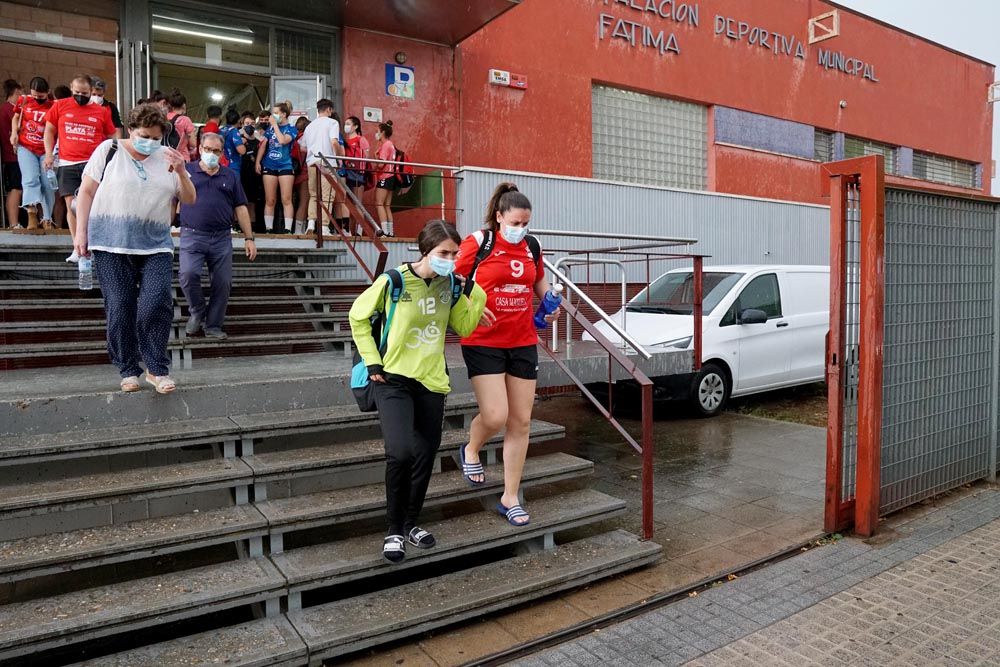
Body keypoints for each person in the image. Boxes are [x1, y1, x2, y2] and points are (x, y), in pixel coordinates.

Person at [349, 219, 487, 563]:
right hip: (392, 378)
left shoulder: (450, 286)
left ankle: (411, 523)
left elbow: (464, 326)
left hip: (431, 381)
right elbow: (357, 317)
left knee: (426, 454)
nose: (450, 259)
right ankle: (393, 529)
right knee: (400, 453)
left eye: (455, 253)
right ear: (426, 250)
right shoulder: (395, 281)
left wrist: (476, 291)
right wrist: (372, 362)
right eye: (444, 252)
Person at [455, 183, 560, 527]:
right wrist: (471, 301)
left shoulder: (532, 246)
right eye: (515, 222)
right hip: (483, 339)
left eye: (525, 223)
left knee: (521, 421)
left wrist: (550, 303)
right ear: (499, 218)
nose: (521, 229)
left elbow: (538, 281)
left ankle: (510, 496)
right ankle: (472, 449)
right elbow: (454, 280)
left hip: (522, 340)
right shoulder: (478, 243)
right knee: (496, 415)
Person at [73, 103, 196, 394]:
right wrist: (80, 233)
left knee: (156, 302)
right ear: (130, 130)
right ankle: (128, 368)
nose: (149, 143)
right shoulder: (109, 150)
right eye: (144, 136)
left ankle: (156, 369)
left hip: (155, 245)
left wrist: (180, 171)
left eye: (155, 138)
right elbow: (87, 191)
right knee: (119, 306)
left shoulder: (168, 158)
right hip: (110, 242)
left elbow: (189, 198)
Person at [178, 132, 257, 339]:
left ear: (222, 153)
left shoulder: (230, 175)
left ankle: (213, 325)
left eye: (216, 151)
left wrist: (249, 238)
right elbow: (172, 198)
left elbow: (240, 207)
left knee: (222, 283)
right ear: (200, 149)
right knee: (188, 275)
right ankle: (197, 311)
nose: (211, 154)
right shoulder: (187, 171)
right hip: (192, 235)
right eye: (207, 149)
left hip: (221, 237)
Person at [43, 74, 116, 261]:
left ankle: (92, 243)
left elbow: (111, 136)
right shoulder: (60, 105)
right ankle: (77, 246)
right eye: (77, 92)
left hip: (92, 164)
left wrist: (109, 160)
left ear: (91, 91)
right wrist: (49, 154)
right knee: (72, 206)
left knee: (92, 205)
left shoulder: (101, 111)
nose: (80, 96)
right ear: (71, 88)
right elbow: (49, 131)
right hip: (67, 163)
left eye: (85, 93)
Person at [11, 77, 55, 231]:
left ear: (47, 93)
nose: (38, 99)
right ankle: (31, 213)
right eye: (35, 95)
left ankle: (47, 218)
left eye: (41, 96)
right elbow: (16, 117)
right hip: (26, 146)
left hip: (46, 149)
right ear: (30, 92)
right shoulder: (23, 100)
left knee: (47, 184)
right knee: (30, 180)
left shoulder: (53, 105)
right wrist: (14, 133)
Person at [299, 99, 343, 235]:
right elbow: (334, 142)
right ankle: (324, 227)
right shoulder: (332, 123)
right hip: (327, 161)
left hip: (312, 162)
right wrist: (339, 157)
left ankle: (311, 223)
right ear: (329, 109)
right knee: (327, 195)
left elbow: (302, 147)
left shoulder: (310, 126)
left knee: (313, 194)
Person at [255, 102, 297, 234]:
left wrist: (274, 125)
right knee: (270, 199)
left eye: (276, 113)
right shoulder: (269, 130)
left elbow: (283, 140)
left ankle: (288, 229)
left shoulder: (291, 129)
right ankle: (268, 228)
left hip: (285, 165)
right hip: (269, 165)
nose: (274, 116)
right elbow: (263, 145)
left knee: (286, 198)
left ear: (284, 114)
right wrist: (258, 162)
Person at [0, 79, 23, 229]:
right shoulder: (9, 110)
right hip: (14, 156)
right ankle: (14, 223)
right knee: (15, 189)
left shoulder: (3, 109)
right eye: (20, 93)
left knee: (15, 189)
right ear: (15, 92)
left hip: (11, 156)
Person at [343, 115, 370, 235]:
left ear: (356, 126)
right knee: (346, 202)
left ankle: (359, 231)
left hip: (358, 174)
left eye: (349, 124)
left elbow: (366, 156)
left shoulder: (361, 139)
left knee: (357, 202)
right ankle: (348, 229)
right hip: (346, 173)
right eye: (346, 124)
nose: (346, 126)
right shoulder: (344, 140)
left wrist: (360, 168)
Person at [373, 120, 397, 237]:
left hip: (385, 176)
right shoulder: (391, 145)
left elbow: (381, 164)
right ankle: (390, 232)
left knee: (379, 203)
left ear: (382, 133)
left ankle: (384, 232)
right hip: (391, 176)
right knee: (387, 205)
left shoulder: (385, 145)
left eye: (377, 132)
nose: (376, 134)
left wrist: (375, 160)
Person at [238, 111, 261, 228]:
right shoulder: (239, 140)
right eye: (247, 123)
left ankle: (253, 227)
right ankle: (238, 225)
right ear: (242, 125)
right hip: (241, 174)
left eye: (252, 123)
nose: (249, 126)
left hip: (254, 175)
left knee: (252, 202)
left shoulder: (259, 142)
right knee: (240, 202)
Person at [166, 89, 197, 161]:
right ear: (183, 105)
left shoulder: (163, 118)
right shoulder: (185, 120)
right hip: (181, 157)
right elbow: (193, 144)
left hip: (165, 156)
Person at [292, 115, 310, 234]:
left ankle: (298, 228)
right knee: (304, 202)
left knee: (296, 201)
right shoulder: (305, 139)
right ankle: (299, 230)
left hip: (294, 174)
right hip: (304, 173)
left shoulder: (294, 139)